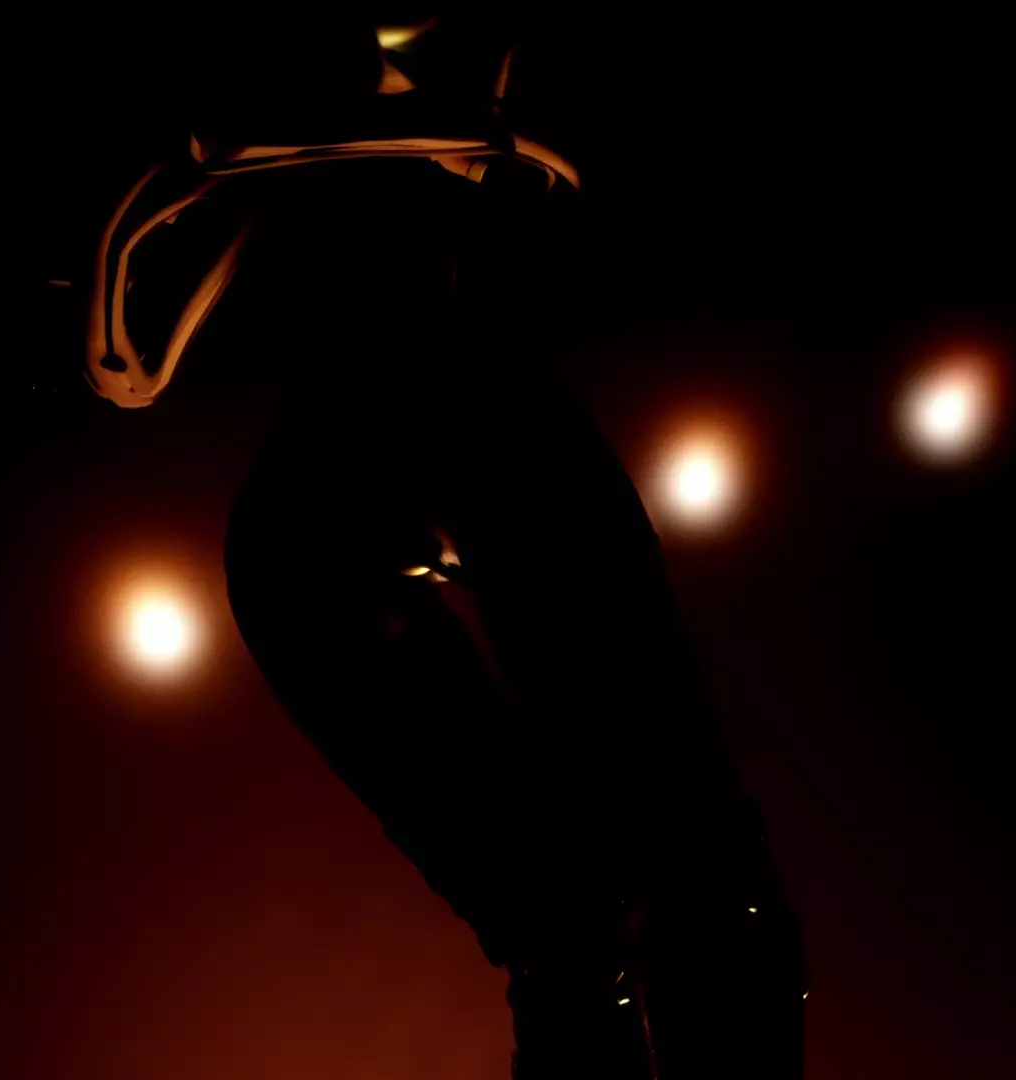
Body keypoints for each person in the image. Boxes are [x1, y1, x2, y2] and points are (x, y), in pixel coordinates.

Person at [84, 21, 806, 1077]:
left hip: (368, 478)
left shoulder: (390, 459)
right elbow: (128, 351)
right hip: (382, 468)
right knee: (656, 899)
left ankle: (617, 973)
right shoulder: (439, 435)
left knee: (621, 915)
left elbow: (129, 353)